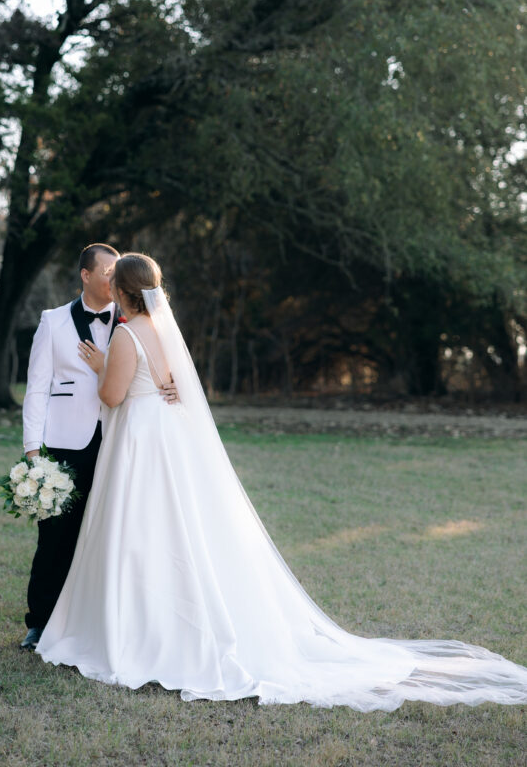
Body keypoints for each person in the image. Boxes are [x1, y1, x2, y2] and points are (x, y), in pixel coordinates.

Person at [36, 252, 527, 709]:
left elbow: (115, 396)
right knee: (173, 529)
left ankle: (137, 629)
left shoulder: (125, 334)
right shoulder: (164, 330)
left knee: (138, 530)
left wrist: (102, 368)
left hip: (140, 440)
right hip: (166, 439)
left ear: (122, 291)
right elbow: (173, 386)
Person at [19, 242, 175, 651]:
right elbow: (36, 390)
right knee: (55, 537)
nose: (111, 279)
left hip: (120, 442)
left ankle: (93, 622)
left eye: (115, 274)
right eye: (105, 272)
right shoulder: (52, 322)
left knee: (110, 534)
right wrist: (34, 451)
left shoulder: (134, 321)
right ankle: (40, 622)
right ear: (85, 275)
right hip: (66, 443)